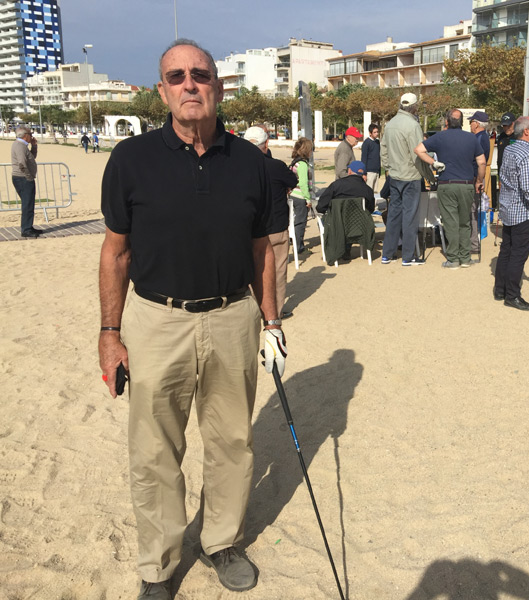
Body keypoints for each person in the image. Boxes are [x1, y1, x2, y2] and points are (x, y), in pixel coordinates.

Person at [98, 39, 285, 600]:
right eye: (176, 77)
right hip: (156, 321)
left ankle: (221, 540)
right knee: (155, 450)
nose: (189, 85)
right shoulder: (130, 160)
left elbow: (263, 252)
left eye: (200, 75)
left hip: (233, 317)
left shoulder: (253, 164)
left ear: (218, 87)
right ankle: (158, 566)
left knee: (232, 440)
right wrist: (110, 335)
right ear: (162, 91)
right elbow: (115, 253)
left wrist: (272, 324)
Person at [415, 109, 486, 269]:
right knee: (465, 221)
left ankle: (453, 258)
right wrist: (479, 180)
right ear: (462, 122)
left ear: (447, 122)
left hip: (446, 184)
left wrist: (433, 162)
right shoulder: (471, 138)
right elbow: (481, 162)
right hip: (467, 184)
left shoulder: (439, 137)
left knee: (450, 221)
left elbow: (418, 150)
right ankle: (465, 257)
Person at [493, 116, 529, 311]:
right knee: (518, 253)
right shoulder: (526, 153)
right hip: (522, 210)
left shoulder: (510, 148)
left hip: (509, 208)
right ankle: (512, 295)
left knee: (507, 249)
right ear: (526, 131)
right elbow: (528, 187)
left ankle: (500, 289)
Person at [245, 126, 298, 319]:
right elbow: (293, 180)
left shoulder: (237, 167)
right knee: (277, 271)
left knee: (249, 271)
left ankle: (253, 310)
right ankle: (273, 312)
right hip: (274, 226)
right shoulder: (275, 166)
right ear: (266, 144)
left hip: (247, 228)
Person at [380, 92, 426, 266]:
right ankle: (408, 256)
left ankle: (387, 253)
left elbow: (383, 150)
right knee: (410, 216)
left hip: (395, 176)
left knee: (393, 215)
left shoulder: (390, 123)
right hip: (410, 176)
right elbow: (419, 152)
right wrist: (428, 173)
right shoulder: (412, 125)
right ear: (414, 107)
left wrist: (389, 168)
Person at [11, 125, 42, 238]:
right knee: (27, 204)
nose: (31, 136)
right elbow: (22, 163)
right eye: (30, 134)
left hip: (23, 178)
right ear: (25, 136)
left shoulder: (23, 146)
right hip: (22, 178)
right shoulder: (19, 146)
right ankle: (26, 229)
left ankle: (28, 226)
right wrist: (28, 177)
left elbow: (32, 157)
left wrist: (34, 146)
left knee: (29, 203)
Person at [468, 111, 491, 258]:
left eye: (471, 122)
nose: (470, 125)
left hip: (474, 178)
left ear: (476, 123)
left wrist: (478, 180)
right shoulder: (482, 137)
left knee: (472, 212)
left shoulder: (479, 138)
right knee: (472, 211)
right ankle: (473, 242)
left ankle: (473, 244)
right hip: (476, 177)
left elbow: (480, 161)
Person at [288, 137, 314, 254]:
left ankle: (297, 242)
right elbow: (303, 183)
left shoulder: (295, 162)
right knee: (300, 222)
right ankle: (297, 245)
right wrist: (308, 199)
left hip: (293, 195)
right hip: (300, 197)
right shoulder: (303, 164)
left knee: (294, 220)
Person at [360, 123, 381, 193]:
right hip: (369, 171)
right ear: (370, 133)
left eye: (377, 132)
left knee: (375, 191)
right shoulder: (366, 143)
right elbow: (364, 158)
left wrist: (379, 170)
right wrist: (364, 173)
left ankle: (373, 204)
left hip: (376, 171)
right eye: (374, 132)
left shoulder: (377, 142)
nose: (376, 134)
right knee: (368, 191)